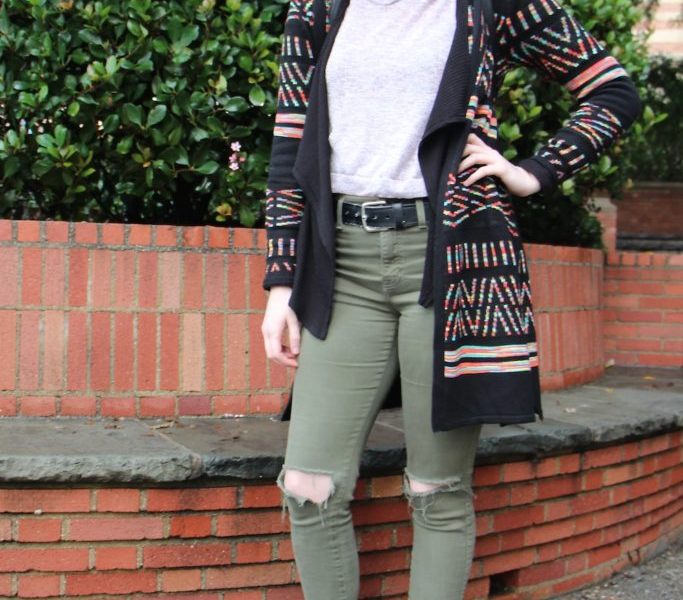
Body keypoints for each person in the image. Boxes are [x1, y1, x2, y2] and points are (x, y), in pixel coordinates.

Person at [260, 0, 642, 598]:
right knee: (308, 485)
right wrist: (282, 281)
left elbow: (612, 91)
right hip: (342, 264)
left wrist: (534, 171)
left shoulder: (490, 6)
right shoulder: (317, 8)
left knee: (436, 489)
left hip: (452, 262)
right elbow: (290, 144)